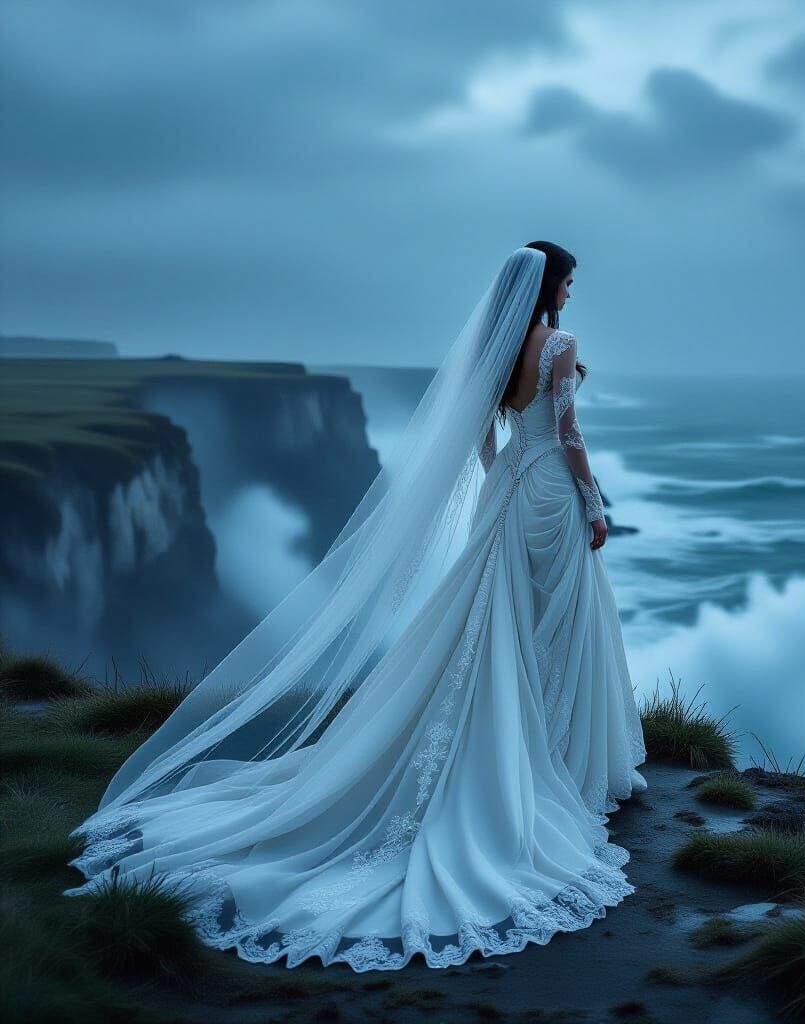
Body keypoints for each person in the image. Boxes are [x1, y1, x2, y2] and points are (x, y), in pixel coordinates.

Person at [64, 241, 648, 972]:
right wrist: (594, 504)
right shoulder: (560, 343)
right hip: (552, 498)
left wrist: (504, 480)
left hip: (509, 497)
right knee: (555, 624)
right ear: (549, 285)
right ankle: (557, 764)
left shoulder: (495, 348)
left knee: (499, 623)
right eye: (568, 281)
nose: (569, 293)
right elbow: (567, 434)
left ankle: (537, 756)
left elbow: (482, 439)